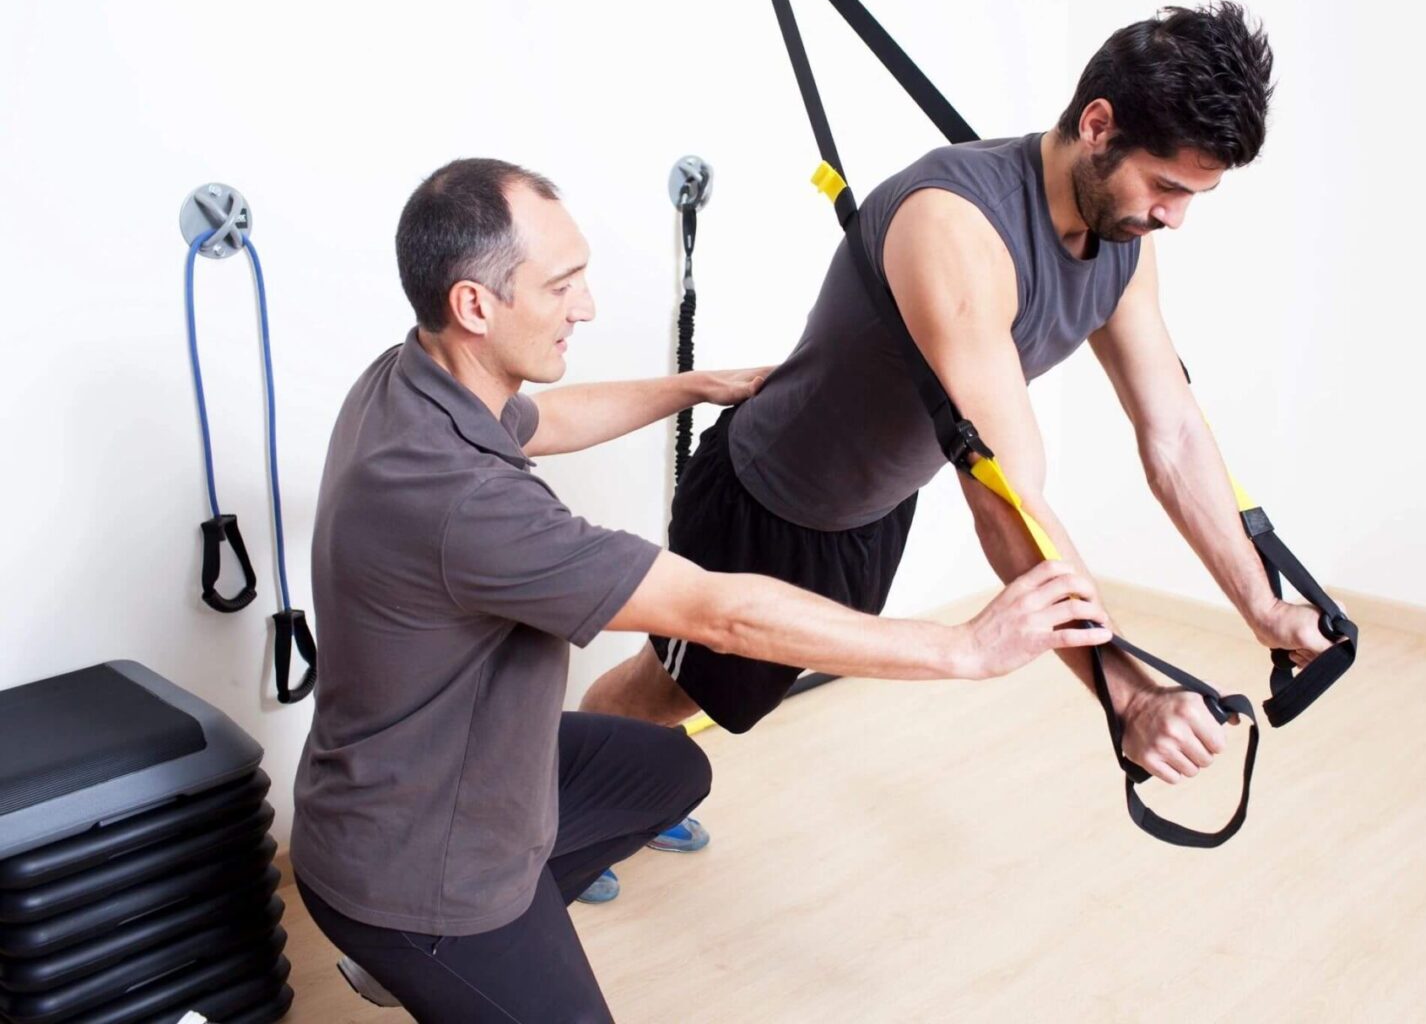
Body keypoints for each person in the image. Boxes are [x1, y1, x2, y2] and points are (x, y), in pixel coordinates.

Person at [289, 157, 1107, 1022]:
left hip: (437, 779)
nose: (588, 306)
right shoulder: (466, 501)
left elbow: (544, 421)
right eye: (562, 285)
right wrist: (964, 647)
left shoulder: (413, 377)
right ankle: (419, 959)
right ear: (475, 305)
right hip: (419, 867)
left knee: (666, 770)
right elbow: (718, 611)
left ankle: (449, 959)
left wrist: (694, 386)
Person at [583, 2, 1336, 841]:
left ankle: (617, 777)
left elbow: (1175, 434)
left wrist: (1265, 610)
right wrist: (1129, 694)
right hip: (768, 500)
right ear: (1098, 126)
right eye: (1166, 186)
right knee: (674, 689)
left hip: (870, 514)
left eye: (1194, 196)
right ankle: (562, 795)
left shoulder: (1122, 237)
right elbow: (1006, 491)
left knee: (718, 699)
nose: (1174, 216)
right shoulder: (956, 227)